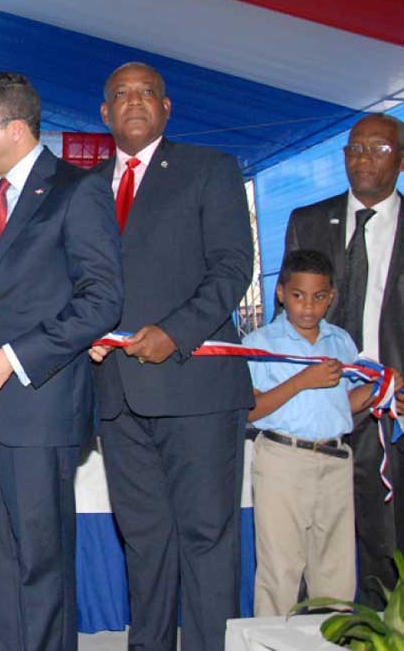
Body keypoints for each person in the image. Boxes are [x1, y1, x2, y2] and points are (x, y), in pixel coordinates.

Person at [0, 72, 123, 651]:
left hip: (39, 408)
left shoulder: (78, 190)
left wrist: (13, 358)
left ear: (15, 127)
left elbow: (101, 300)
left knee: (40, 568)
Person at [88, 62, 254, 651]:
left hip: (196, 388)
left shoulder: (210, 170)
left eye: (147, 93)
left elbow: (233, 267)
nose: (135, 102)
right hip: (116, 396)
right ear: (104, 113)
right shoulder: (83, 189)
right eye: (121, 95)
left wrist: (175, 332)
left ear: (167, 107)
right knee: (144, 541)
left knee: (207, 540)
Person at [284, 113, 404, 607]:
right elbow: (287, 319)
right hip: (319, 403)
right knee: (314, 545)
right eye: (354, 149)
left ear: (400, 158)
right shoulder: (308, 221)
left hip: (389, 409)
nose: (363, 160)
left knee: (386, 540)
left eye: (377, 149)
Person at [245, 249, 396, 616]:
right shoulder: (259, 344)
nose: (308, 307)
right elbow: (250, 409)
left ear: (331, 296)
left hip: (335, 459)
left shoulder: (341, 342)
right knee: (280, 570)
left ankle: (333, 640)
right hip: (282, 460)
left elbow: (346, 402)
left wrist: (383, 391)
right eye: (298, 295)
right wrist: (302, 381)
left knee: (336, 570)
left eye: (318, 297)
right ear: (281, 293)